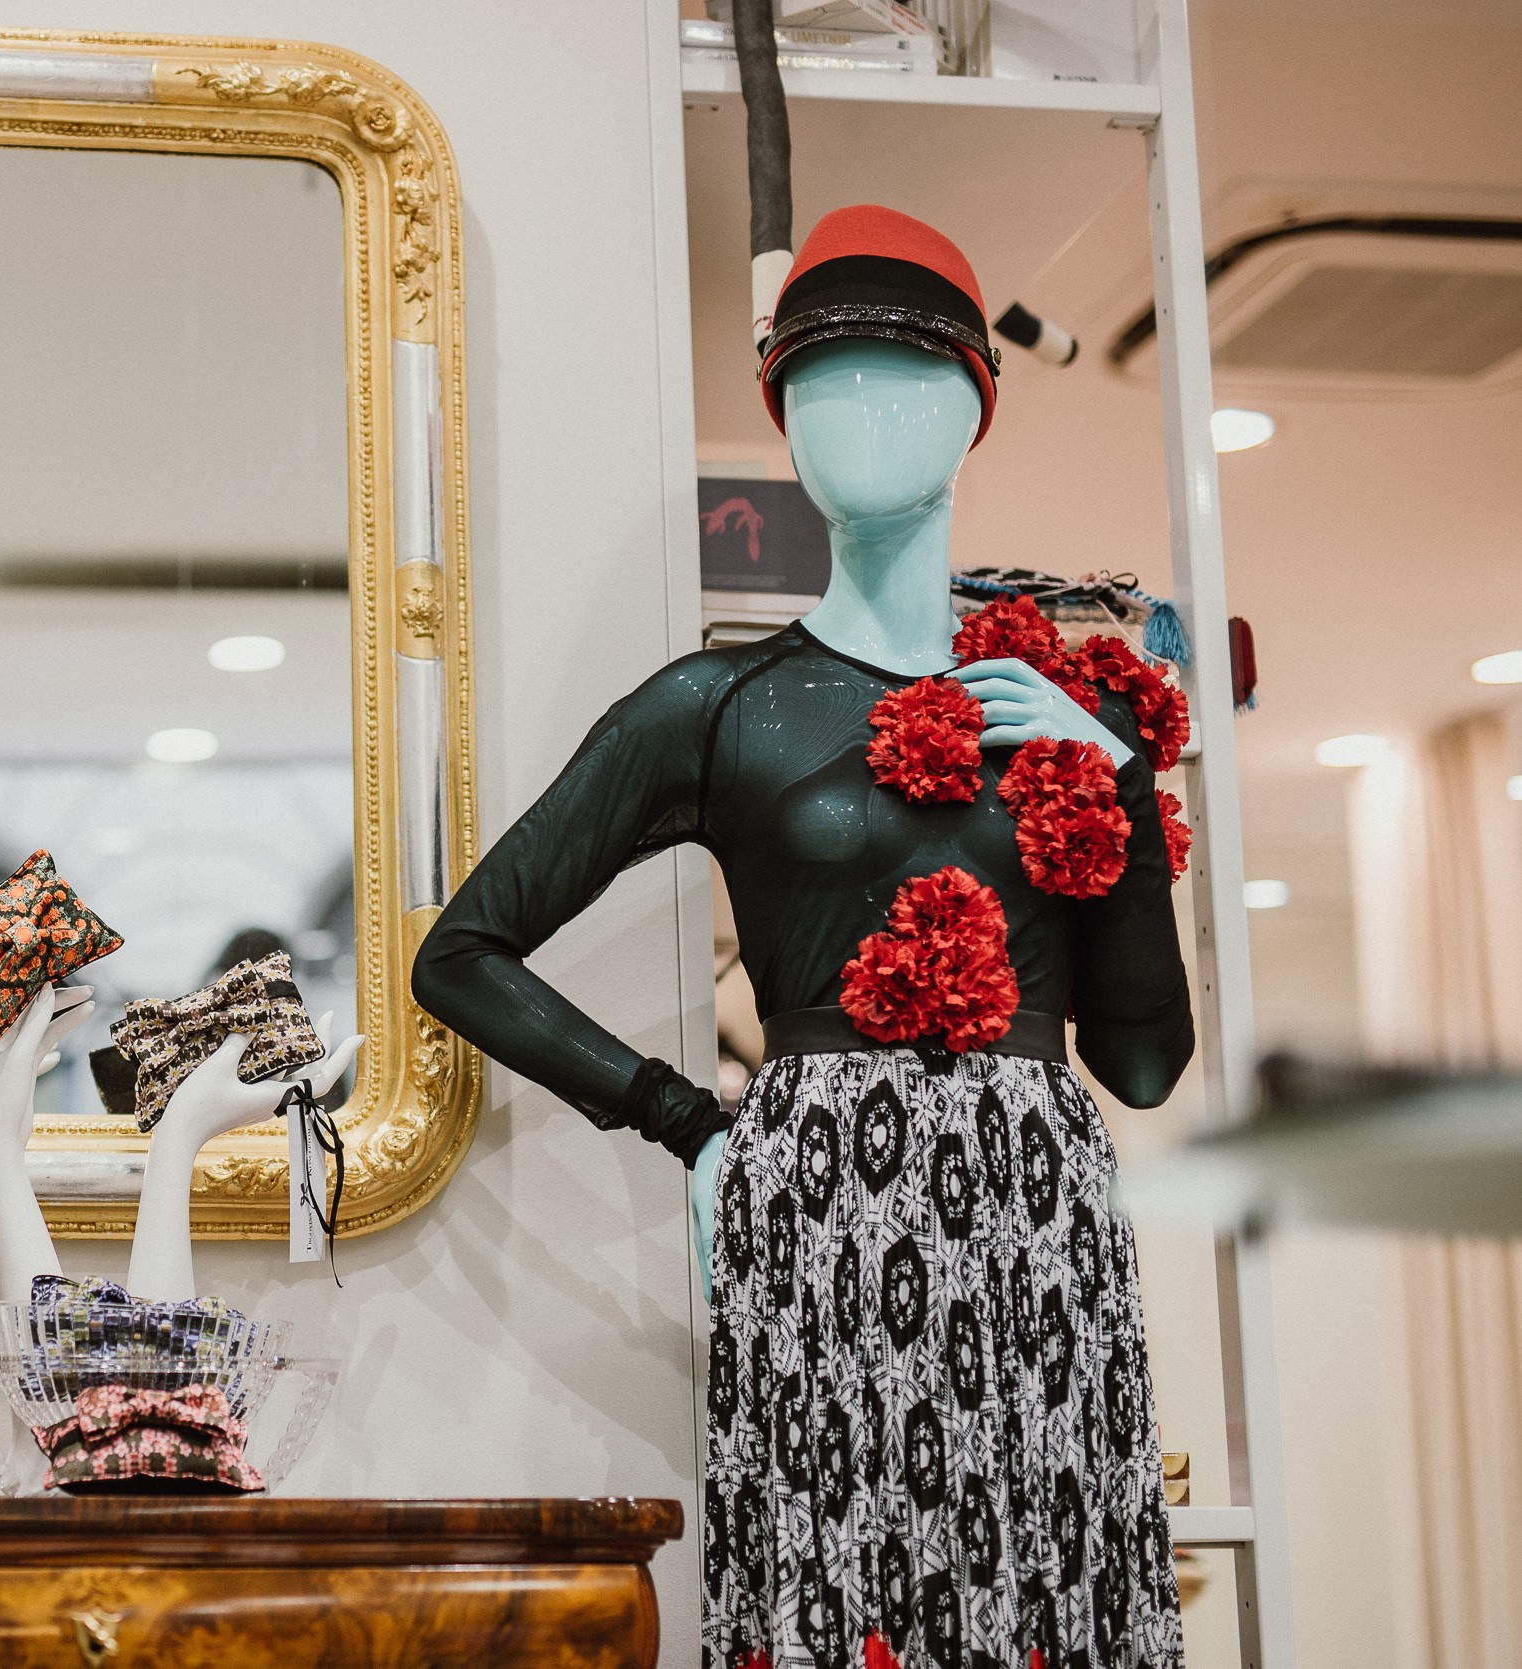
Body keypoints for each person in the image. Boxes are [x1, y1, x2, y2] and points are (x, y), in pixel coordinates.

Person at [415, 206, 1190, 1668]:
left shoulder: (1068, 717)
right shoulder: (721, 705)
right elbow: (460, 953)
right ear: (777, 418)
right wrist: (686, 1123)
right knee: (837, 1593)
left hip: (1039, 1217)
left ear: (977, 406)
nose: (861, 413)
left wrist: (1122, 787)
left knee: (1048, 1592)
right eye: (817, 381)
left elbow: (1144, 1068)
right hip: (823, 1200)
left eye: (907, 372)